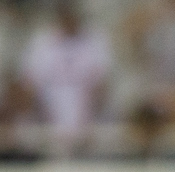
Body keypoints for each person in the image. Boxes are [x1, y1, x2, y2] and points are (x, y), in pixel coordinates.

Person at [19, 0, 112, 155]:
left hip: (87, 119)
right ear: (59, 16)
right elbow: (29, 84)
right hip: (48, 118)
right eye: (65, 15)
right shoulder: (42, 42)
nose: (69, 20)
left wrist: (88, 117)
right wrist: (44, 117)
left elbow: (103, 84)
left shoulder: (96, 41)